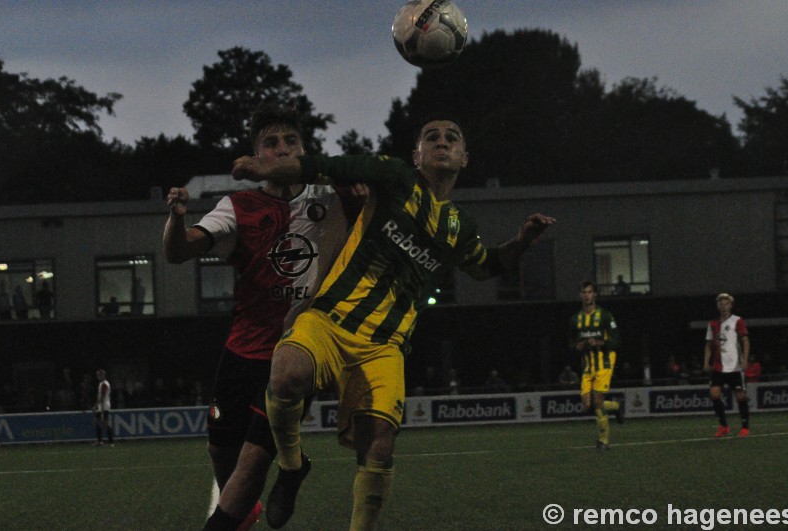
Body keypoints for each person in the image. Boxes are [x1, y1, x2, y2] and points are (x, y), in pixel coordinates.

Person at [232, 114, 556, 530]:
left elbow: (487, 266)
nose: (442, 142)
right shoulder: (394, 176)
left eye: (452, 137)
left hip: (384, 346)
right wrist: (263, 169)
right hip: (331, 319)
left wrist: (524, 241)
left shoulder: (459, 227)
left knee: (379, 446)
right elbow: (319, 165)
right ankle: (292, 467)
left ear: (464, 158)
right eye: (431, 137)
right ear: (416, 154)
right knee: (285, 371)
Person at [165, 104, 363, 531]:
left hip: (300, 349)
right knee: (221, 450)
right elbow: (179, 251)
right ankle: (273, 485)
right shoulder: (239, 206)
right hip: (243, 347)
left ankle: (235, 513)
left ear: (305, 149)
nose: (282, 149)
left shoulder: (334, 199)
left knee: (254, 458)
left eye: (291, 141)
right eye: (271, 143)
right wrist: (176, 221)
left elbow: (372, 176)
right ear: (256, 155)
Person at [570, 280, 624, 450]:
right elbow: (571, 342)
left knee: (598, 400)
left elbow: (616, 340)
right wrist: (577, 346)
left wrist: (599, 342)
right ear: (580, 295)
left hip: (605, 362)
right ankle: (615, 406)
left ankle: (603, 441)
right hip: (587, 365)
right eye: (584, 292)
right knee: (587, 404)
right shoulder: (576, 319)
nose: (587, 295)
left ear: (595, 295)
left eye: (590, 292)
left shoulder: (605, 315)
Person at [704, 292, 751, 437]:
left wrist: (744, 360)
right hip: (718, 366)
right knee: (714, 394)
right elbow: (708, 345)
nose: (723, 306)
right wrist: (706, 362)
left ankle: (745, 427)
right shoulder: (712, 324)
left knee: (740, 397)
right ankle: (723, 426)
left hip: (734, 366)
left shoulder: (737, 321)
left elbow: (745, 341)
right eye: (721, 303)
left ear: (731, 305)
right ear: (717, 306)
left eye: (726, 303)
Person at [93, 369, 114, 446]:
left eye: (98, 375)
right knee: (97, 422)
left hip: (103, 406)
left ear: (102, 375)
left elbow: (102, 395)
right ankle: (101, 441)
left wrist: (96, 405)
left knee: (105, 423)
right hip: (103, 405)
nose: (97, 377)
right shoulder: (102, 383)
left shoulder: (104, 384)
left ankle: (109, 441)